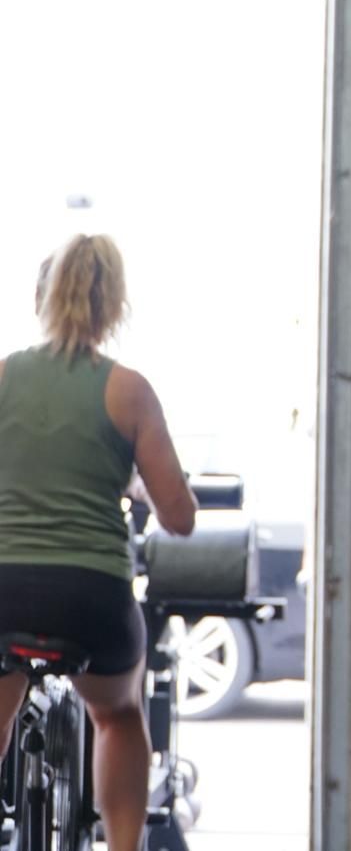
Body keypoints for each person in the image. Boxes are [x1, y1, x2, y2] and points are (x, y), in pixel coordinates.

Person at [0, 236, 199, 851]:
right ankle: (120, 846)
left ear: (42, 299)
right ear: (115, 305)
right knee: (118, 716)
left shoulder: (3, 375)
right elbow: (181, 517)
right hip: (90, 594)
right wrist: (134, 482)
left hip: (5, 586)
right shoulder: (129, 391)